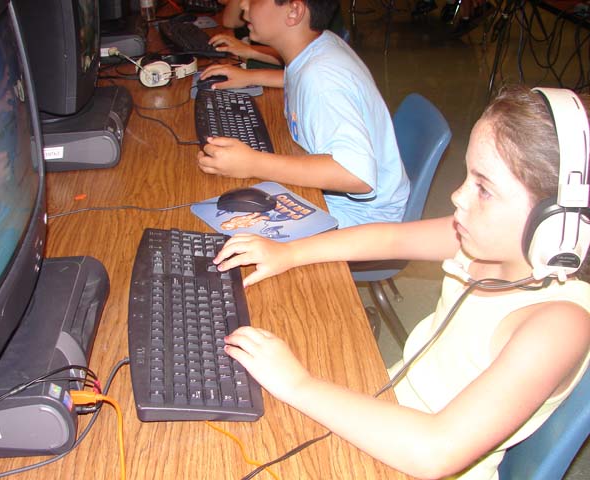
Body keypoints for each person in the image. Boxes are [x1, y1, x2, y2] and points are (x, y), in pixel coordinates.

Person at [212, 85, 590, 479]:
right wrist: (288, 253)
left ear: (556, 223)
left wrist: (297, 384)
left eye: (484, 188)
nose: (457, 196)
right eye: (467, 176)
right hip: (389, 408)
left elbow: (434, 453)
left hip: (420, 457)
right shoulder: (483, 244)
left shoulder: (558, 325)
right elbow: (391, 238)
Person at [196, 0, 410, 228]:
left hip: (363, 220)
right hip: (349, 201)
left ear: (294, 11)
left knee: (222, 225)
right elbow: (298, 77)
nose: (243, 4)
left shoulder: (322, 80)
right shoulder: (318, 46)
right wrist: (252, 77)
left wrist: (253, 163)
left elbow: (356, 175)